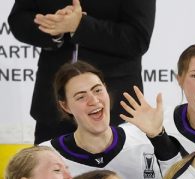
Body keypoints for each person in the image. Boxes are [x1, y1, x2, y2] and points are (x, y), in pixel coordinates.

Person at [8, 0, 156, 144]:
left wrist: (80, 26)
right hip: (53, 107)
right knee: (49, 167)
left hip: (114, 108)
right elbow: (19, 18)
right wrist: (53, 27)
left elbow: (137, 38)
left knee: (113, 168)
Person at [40, 61, 179, 179]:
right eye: (81, 97)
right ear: (65, 106)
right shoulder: (48, 155)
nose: (94, 100)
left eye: (97, 90)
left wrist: (159, 137)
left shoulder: (143, 137)